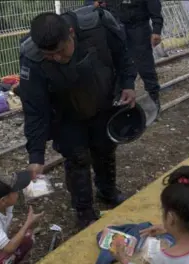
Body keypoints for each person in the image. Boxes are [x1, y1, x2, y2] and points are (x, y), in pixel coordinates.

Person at [19, 7, 137, 228]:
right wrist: (36, 155)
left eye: (61, 51)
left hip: (101, 101)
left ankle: (107, 191)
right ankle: (84, 211)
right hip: (65, 115)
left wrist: (128, 84)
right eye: (49, 56)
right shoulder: (32, 59)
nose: (56, 58)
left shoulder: (97, 25)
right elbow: (35, 109)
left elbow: (122, 53)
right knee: (77, 159)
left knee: (105, 147)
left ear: (71, 33)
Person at [86, 0, 163, 115]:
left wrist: (157, 29)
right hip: (116, 26)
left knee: (144, 65)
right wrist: (93, 5)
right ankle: (121, 102)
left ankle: (154, 99)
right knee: (117, 65)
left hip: (138, 27)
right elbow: (90, 5)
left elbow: (153, 4)